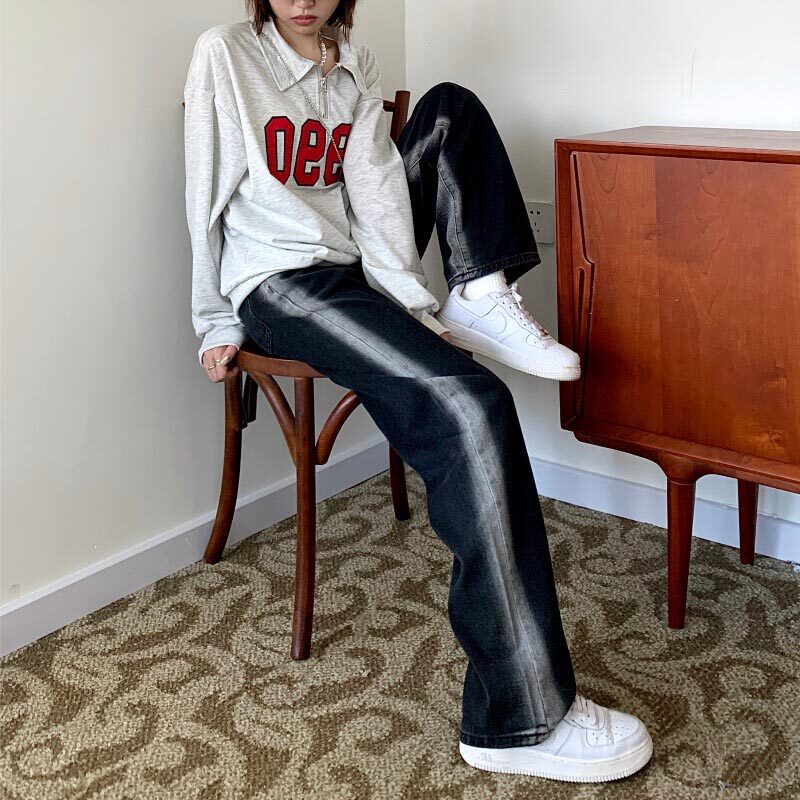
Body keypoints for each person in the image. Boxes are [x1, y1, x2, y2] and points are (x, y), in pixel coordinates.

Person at [183, 0, 653, 783]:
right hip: (279, 282)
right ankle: (518, 719)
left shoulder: (351, 62)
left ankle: (479, 293)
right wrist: (213, 321)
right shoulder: (225, 54)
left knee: (447, 109)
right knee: (472, 405)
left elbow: (374, 191)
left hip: (351, 268)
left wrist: (415, 306)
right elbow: (203, 190)